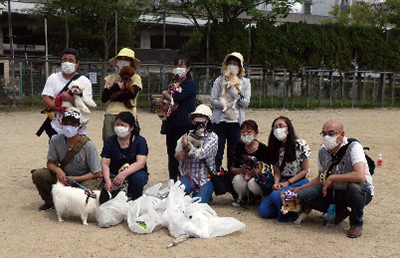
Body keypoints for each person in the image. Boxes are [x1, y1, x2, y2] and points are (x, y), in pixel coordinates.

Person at [295, 119, 373, 238]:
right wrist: (300, 188)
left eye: (331, 133)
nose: (327, 137)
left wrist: (332, 178)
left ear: (341, 134)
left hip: (359, 192)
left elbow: (360, 176)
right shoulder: (322, 151)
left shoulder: (353, 147)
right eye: (324, 133)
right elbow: (321, 177)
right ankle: (339, 211)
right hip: (335, 191)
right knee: (304, 195)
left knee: (354, 187)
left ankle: (356, 223)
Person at [32, 109, 102, 211]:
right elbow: (51, 163)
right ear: (61, 124)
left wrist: (76, 179)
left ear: (79, 127)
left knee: (85, 191)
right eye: (66, 123)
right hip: (64, 176)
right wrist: (58, 171)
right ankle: (50, 201)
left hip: (83, 179)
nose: (69, 127)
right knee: (38, 175)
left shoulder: (88, 145)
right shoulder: (55, 140)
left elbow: (97, 173)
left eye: (73, 124)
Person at [258, 116, 311, 222]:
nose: (278, 129)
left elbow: (305, 170)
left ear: (288, 128)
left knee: (276, 195)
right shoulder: (274, 148)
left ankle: (290, 213)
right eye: (275, 127)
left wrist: (288, 182)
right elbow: (276, 171)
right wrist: (276, 183)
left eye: (281, 126)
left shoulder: (300, 145)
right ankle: (287, 206)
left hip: (298, 180)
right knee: (264, 211)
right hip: (282, 180)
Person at [210, 52, 251, 172]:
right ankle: (216, 175)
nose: (232, 66)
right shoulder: (219, 80)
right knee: (217, 151)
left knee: (233, 153)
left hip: (236, 123)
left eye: (235, 63)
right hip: (220, 122)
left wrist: (234, 93)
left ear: (240, 67)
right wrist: (226, 105)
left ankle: (231, 177)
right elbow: (213, 100)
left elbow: (245, 103)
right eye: (230, 63)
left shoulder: (245, 82)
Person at [39, 48, 93, 138]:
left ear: (77, 64)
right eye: (65, 60)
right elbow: (46, 97)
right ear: (61, 62)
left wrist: (69, 99)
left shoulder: (84, 81)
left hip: (78, 128)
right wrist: (56, 108)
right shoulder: (53, 78)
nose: (68, 63)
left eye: (71, 60)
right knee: (56, 150)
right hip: (57, 127)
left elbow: (86, 104)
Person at [100, 111, 149, 201]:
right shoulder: (110, 141)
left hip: (134, 172)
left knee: (138, 178)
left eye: (123, 125)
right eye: (117, 125)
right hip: (114, 172)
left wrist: (123, 174)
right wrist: (107, 180)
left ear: (131, 128)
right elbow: (105, 163)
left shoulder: (140, 141)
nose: (119, 128)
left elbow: (140, 163)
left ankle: (136, 198)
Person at [174, 104, 217, 204]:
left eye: (202, 116)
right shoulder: (189, 133)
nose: (199, 119)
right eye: (197, 116)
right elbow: (177, 151)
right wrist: (177, 155)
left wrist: (187, 145)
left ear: (208, 120)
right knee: (174, 198)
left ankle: (206, 194)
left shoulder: (213, 137)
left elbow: (200, 154)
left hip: (205, 178)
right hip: (188, 176)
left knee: (198, 207)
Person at [164, 55, 196, 181]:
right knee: (171, 154)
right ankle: (172, 181)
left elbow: (178, 98)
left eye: (181, 66)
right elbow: (169, 101)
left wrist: (165, 94)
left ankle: (185, 182)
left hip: (184, 124)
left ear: (188, 69)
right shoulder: (172, 83)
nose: (178, 68)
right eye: (176, 65)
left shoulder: (190, 84)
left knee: (182, 154)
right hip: (171, 123)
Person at [102, 48, 142, 141]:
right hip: (110, 114)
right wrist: (116, 87)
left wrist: (113, 95)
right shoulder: (110, 78)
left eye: (126, 59)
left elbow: (131, 94)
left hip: (128, 113)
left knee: (127, 144)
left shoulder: (135, 78)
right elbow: (104, 98)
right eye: (120, 59)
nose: (123, 62)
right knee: (109, 142)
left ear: (131, 62)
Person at [231, 120, 269, 207]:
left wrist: (255, 172)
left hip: (257, 177)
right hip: (243, 175)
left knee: (252, 183)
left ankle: (261, 197)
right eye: (242, 132)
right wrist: (241, 170)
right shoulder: (238, 147)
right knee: (237, 179)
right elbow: (232, 169)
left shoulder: (263, 149)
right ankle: (240, 197)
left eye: (248, 132)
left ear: (256, 133)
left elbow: (266, 169)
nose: (245, 135)